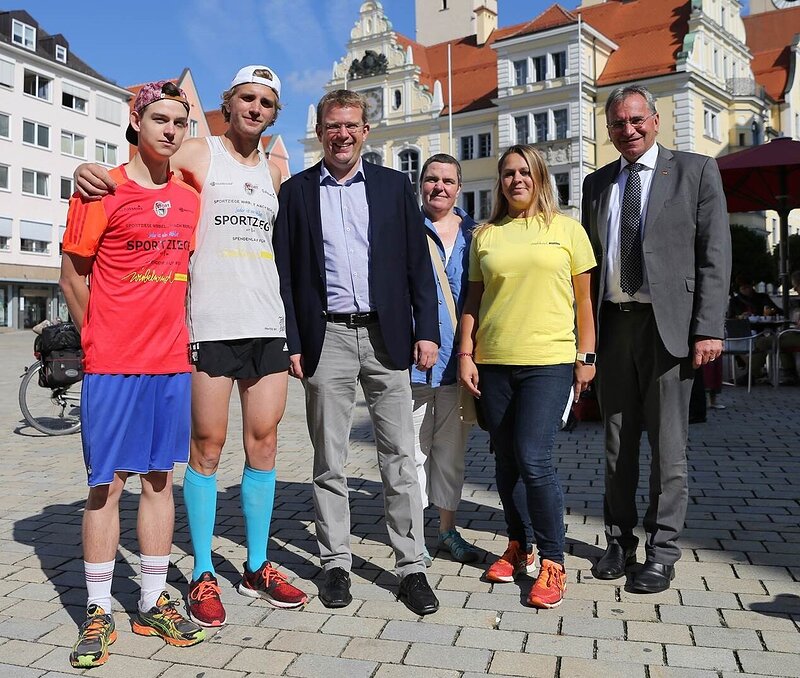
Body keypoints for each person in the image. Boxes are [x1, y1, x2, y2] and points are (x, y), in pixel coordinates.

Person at [73, 66, 307, 628]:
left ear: (275, 112)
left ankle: (257, 564)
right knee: (205, 448)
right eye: (246, 98)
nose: (256, 108)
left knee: (265, 442)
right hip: (206, 323)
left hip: (265, 321)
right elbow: (140, 172)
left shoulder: (277, 168)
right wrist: (87, 170)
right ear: (228, 104)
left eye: (267, 102)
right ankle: (202, 570)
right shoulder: (199, 152)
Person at [273, 89, 441, 615]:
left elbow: (418, 265)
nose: (341, 134)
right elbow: (288, 274)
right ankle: (335, 562)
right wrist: (294, 342)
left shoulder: (393, 187)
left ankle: (411, 566)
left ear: (366, 131)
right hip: (328, 338)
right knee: (330, 458)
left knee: (399, 457)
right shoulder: (297, 193)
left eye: (351, 125)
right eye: (332, 126)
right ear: (321, 131)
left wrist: (428, 331)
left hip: (387, 336)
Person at [61, 81, 206, 668]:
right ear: (136, 122)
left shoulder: (192, 196)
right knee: (105, 485)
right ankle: (97, 608)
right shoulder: (102, 191)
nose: (170, 130)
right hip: (113, 364)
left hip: (170, 362)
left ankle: (151, 600)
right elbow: (72, 274)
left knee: (158, 480)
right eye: (160, 120)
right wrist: (98, 339)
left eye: (179, 121)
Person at [581, 84, 731, 593]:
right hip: (615, 325)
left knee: (669, 447)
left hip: (669, 328)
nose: (629, 130)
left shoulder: (695, 171)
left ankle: (662, 552)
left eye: (637, 120)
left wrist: (709, 327)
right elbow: (590, 267)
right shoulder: (597, 183)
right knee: (616, 444)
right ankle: (619, 541)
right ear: (609, 129)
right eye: (619, 123)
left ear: (655, 119)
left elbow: (715, 255)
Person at [459, 144, 597, 609]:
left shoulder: (568, 230)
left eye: (524, 172)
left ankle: (553, 561)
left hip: (549, 361)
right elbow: (472, 303)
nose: (516, 180)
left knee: (534, 458)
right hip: (494, 360)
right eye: (507, 173)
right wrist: (465, 353)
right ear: (500, 182)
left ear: (540, 177)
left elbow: (584, 303)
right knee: (504, 461)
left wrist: (587, 356)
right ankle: (519, 546)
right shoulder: (486, 235)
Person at [412, 154, 479, 565]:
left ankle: (447, 529)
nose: (439, 187)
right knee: (412, 452)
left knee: (451, 452)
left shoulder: (475, 234)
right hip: (413, 362)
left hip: (460, 359)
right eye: (431, 179)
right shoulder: (404, 228)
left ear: (459, 187)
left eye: (448, 180)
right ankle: (414, 534)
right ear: (421, 184)